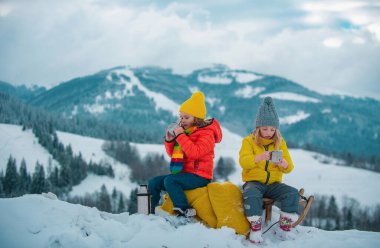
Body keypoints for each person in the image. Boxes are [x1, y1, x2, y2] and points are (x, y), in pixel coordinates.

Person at [148, 91, 222, 218]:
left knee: (170, 180)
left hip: (200, 176)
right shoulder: (186, 132)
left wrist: (181, 135)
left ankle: (184, 211)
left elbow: (195, 153)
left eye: (186, 117)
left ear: (197, 119)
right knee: (154, 182)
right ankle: (150, 213)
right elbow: (173, 154)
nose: (182, 120)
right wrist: (170, 140)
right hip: (184, 173)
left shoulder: (207, 134)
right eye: (181, 117)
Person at [239, 97, 299, 243]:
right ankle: (256, 228)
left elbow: (290, 167)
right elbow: (243, 161)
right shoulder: (248, 141)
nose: (268, 132)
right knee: (251, 193)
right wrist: (258, 158)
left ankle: (285, 228)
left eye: (272, 129)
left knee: (292, 193)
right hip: (254, 182)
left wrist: (284, 164)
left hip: (273, 184)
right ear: (258, 127)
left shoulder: (280, 143)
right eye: (265, 129)